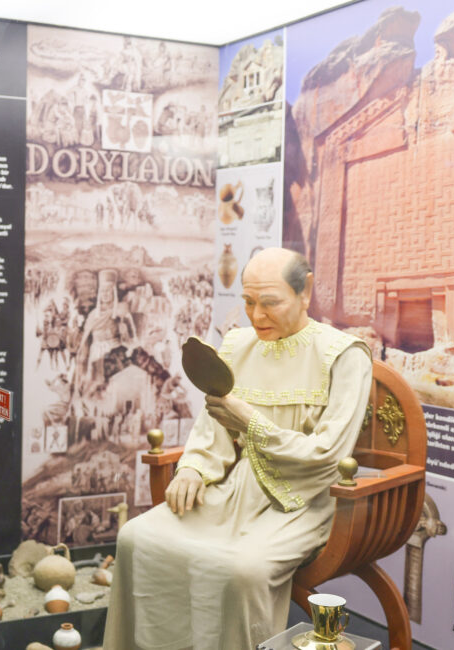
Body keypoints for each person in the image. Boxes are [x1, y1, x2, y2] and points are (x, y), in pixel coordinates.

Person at [104, 248, 373, 649]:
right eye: (248, 302)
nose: (256, 316)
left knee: (241, 570)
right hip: (230, 490)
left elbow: (328, 455)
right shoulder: (236, 345)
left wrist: (251, 422)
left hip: (303, 501)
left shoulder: (344, 356)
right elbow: (210, 427)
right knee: (136, 539)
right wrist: (195, 467)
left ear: (306, 292)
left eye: (269, 303)